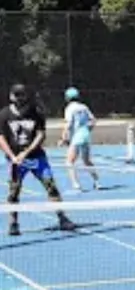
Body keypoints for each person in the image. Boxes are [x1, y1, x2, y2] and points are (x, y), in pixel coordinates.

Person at [0, 84, 76, 236]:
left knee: (51, 186)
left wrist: (27, 152)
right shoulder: (4, 114)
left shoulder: (36, 112)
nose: (19, 98)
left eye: (22, 95)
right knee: (14, 192)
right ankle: (13, 223)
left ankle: (62, 218)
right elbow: (1, 138)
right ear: (11, 96)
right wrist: (14, 157)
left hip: (37, 159)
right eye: (17, 95)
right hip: (16, 162)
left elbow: (40, 135)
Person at [59, 86, 100, 191]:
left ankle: (76, 184)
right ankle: (97, 181)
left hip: (77, 136)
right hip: (85, 134)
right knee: (86, 161)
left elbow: (68, 124)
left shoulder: (69, 108)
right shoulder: (84, 107)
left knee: (69, 161)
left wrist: (63, 138)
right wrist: (88, 129)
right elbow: (93, 120)